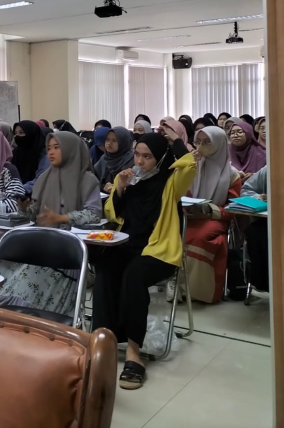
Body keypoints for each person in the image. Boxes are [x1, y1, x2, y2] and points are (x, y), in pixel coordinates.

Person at [93, 128, 196, 390]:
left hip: (158, 250)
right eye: (137, 155)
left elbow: (189, 166)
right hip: (127, 244)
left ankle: (134, 353)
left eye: (147, 157)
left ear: (161, 159)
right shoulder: (127, 178)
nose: (139, 162)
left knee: (134, 275)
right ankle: (104, 338)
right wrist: (121, 190)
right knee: (105, 267)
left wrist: (175, 140)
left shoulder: (170, 181)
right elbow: (114, 215)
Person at [0, 132, 101, 315]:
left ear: (71, 150)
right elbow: (36, 216)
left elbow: (94, 214)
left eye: (57, 147)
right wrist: (25, 209)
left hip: (67, 250)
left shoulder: (87, 180)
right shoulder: (44, 178)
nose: (51, 152)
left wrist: (62, 218)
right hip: (41, 245)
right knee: (4, 272)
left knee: (26, 289)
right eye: (49, 148)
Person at [182, 126, 241, 303]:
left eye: (207, 142)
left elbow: (232, 209)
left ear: (219, 144)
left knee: (200, 237)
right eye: (198, 142)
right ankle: (178, 286)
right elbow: (183, 194)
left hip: (216, 218)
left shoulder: (232, 175)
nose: (200, 146)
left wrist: (211, 210)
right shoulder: (193, 167)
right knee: (171, 232)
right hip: (191, 216)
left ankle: (198, 291)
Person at [241, 165, 269, 292]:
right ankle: (264, 284)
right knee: (254, 231)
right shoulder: (269, 169)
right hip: (269, 221)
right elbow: (246, 190)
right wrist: (261, 198)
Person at [11, 121, 49, 200]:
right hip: (17, 198)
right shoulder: (16, 152)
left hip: (38, 198)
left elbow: (41, 179)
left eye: (21, 133)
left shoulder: (43, 154)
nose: (17, 136)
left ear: (31, 134)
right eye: (15, 133)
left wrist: (20, 190)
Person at [94, 127, 135, 194]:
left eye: (114, 140)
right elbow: (95, 181)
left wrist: (118, 188)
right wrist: (104, 187)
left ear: (123, 142)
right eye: (107, 140)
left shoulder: (132, 160)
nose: (109, 143)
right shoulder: (104, 158)